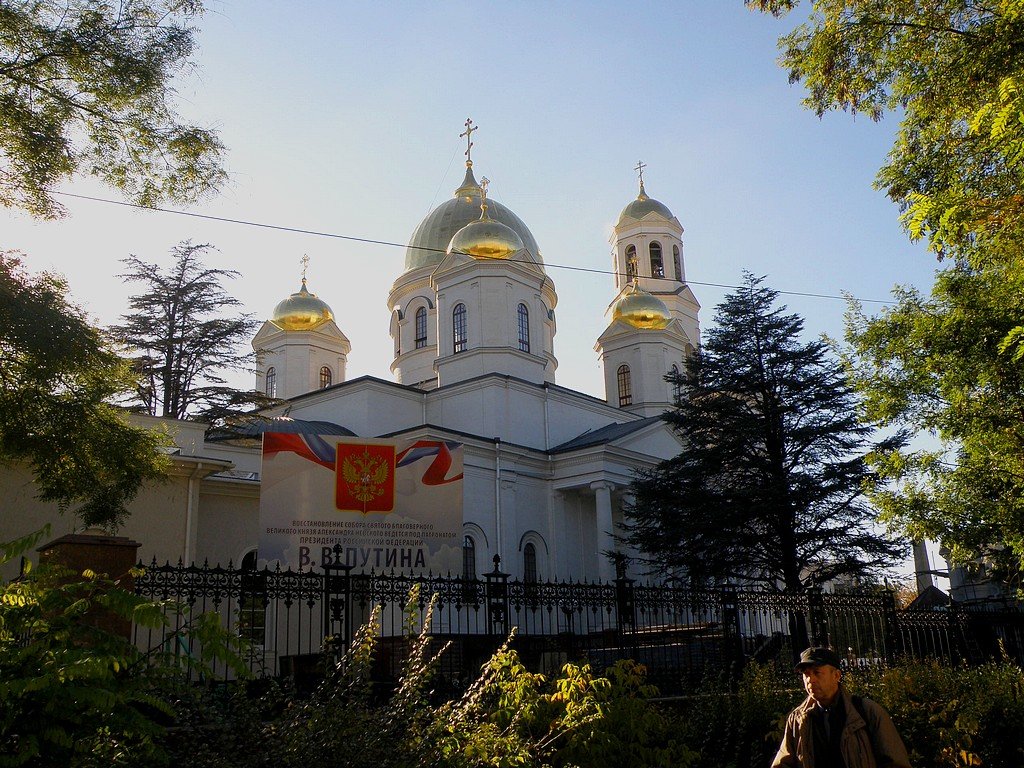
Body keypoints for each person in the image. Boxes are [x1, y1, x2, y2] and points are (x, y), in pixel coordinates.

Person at [771, 647, 911, 768]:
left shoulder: (866, 712)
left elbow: (895, 762)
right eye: (806, 674)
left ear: (836, 675)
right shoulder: (797, 719)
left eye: (817, 672)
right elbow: (784, 762)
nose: (810, 680)